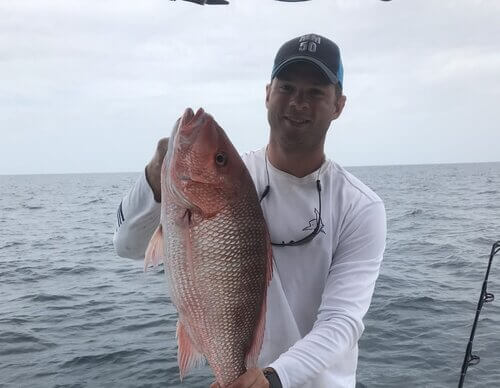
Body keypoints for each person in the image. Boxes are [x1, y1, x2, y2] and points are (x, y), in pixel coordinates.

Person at [113, 33, 386, 388]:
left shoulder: (360, 206)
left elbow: (342, 321)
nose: (298, 102)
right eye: (286, 87)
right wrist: (153, 178)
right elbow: (128, 247)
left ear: (338, 105)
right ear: (267, 94)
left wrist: (273, 378)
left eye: (316, 92)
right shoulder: (232, 178)